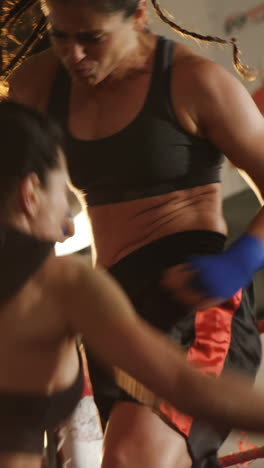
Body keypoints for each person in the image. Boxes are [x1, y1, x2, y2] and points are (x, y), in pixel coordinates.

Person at [6, 0, 264, 467]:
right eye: (61, 36)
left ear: (138, 15)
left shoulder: (195, 82)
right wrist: (38, 214)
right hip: (107, 310)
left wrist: (242, 258)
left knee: (131, 459)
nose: (75, 55)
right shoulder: (38, 83)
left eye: (93, 38)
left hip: (190, 298)